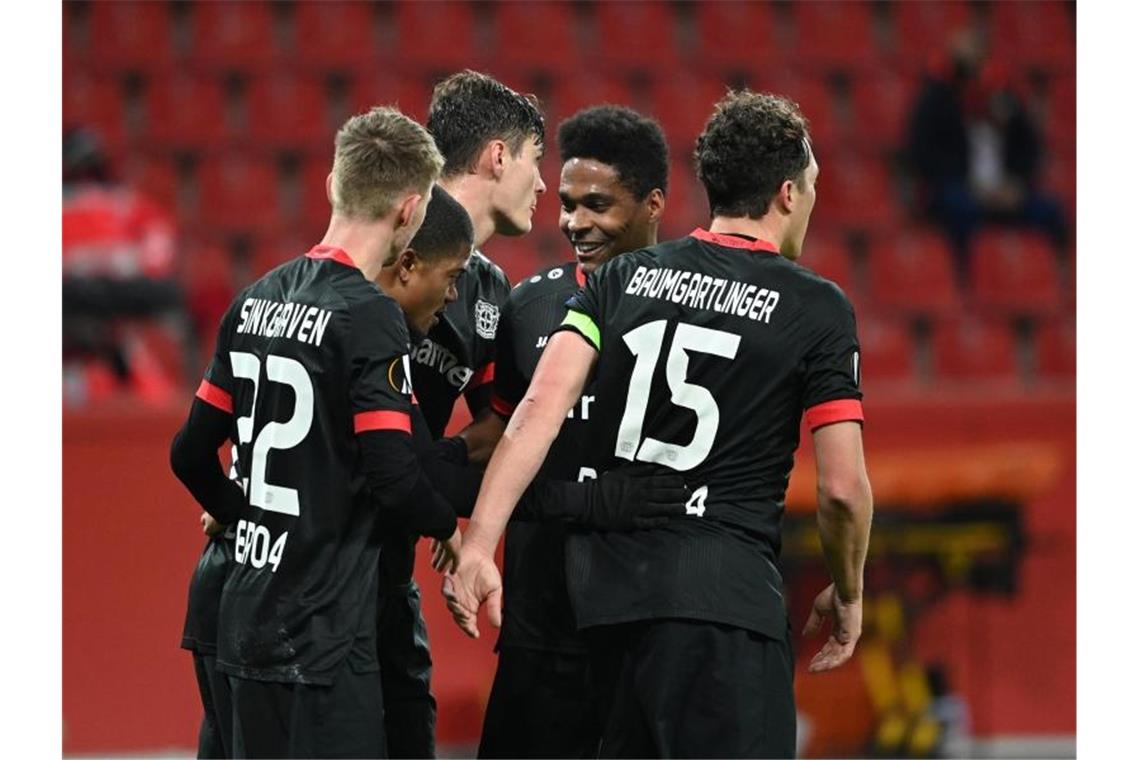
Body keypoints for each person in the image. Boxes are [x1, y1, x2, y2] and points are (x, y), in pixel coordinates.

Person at [444, 91, 874, 758]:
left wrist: (479, 547)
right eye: (813, 185)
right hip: (729, 611)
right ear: (788, 193)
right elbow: (842, 489)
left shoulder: (621, 282)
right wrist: (848, 591)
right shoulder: (817, 307)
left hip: (609, 612)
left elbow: (532, 413)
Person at [170, 106, 461, 759]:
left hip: (235, 615)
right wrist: (449, 526)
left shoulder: (253, 298)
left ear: (333, 183)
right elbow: (392, 476)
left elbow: (189, 454)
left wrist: (238, 515)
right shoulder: (369, 317)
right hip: (319, 630)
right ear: (410, 211)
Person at [477, 105, 670, 759]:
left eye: (597, 204)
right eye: (566, 203)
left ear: (653, 204)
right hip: (540, 631)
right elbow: (498, 434)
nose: (574, 223)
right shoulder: (527, 304)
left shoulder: (695, 314)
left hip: (648, 630)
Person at [375, 69, 546, 759]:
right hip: (326, 559)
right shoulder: (388, 231)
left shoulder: (490, 287)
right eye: (536, 161)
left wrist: (436, 495)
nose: (542, 186)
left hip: (388, 557)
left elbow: (498, 428)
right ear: (498, 156)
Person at [905, 28, 1067, 284]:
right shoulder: (937, 98)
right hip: (962, 189)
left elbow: (1028, 148)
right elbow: (923, 153)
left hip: (1006, 190)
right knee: (958, 209)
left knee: (1051, 212)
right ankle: (966, 282)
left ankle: (1050, 281)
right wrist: (971, 186)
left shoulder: (1006, 97)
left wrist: (1017, 185)